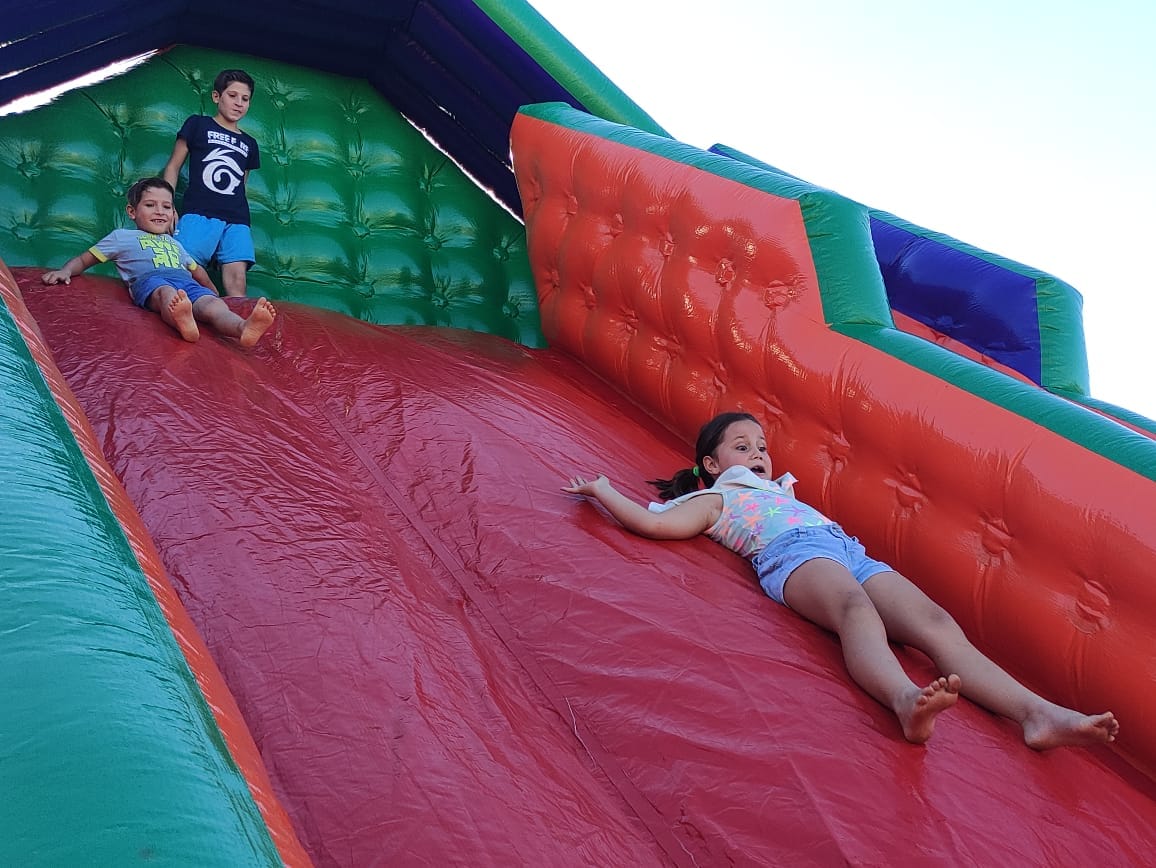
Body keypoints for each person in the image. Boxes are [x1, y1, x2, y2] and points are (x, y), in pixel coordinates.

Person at [563, 411, 1120, 749]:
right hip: (791, 557)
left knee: (934, 621)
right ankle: (903, 698)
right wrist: (602, 489)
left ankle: (1036, 714)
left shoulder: (783, 492)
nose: (758, 453)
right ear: (711, 464)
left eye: (761, 446)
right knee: (855, 610)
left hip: (850, 551)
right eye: (742, 446)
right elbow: (653, 523)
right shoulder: (716, 498)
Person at [42, 177, 276, 346]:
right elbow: (85, 259)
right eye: (150, 205)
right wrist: (66, 271)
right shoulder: (121, 237)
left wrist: (213, 293)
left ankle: (242, 328)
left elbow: (197, 272)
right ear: (132, 211)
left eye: (167, 206)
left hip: (186, 283)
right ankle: (182, 321)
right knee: (166, 293)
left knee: (212, 307)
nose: (160, 211)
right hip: (150, 281)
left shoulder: (175, 244)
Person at [162, 68, 260, 298]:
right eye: (232, 96)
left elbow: (241, 184)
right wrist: (167, 206)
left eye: (245, 99)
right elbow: (173, 166)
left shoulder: (250, 144)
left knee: (237, 281)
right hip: (199, 212)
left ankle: (236, 329)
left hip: (236, 219)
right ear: (217, 97)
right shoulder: (198, 125)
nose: (239, 103)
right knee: (183, 272)